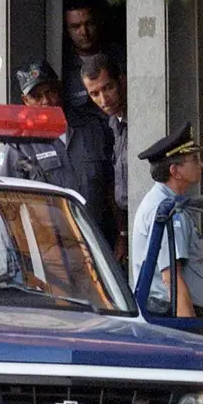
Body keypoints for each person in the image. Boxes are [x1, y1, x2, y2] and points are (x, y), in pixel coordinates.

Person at [0, 60, 120, 253]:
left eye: (50, 92)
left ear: (60, 90)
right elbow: (8, 206)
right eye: (36, 97)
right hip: (52, 251)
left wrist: (122, 234)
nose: (46, 101)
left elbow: (113, 184)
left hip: (102, 244)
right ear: (25, 101)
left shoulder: (93, 127)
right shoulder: (19, 145)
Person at [131, 122, 203, 318]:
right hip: (170, 312)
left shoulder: (169, 203)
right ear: (175, 171)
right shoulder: (168, 210)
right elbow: (172, 279)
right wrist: (189, 334)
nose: (201, 165)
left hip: (169, 309)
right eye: (194, 160)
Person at [81, 53, 128, 263]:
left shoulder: (139, 121)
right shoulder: (112, 124)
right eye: (94, 94)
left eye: (108, 88)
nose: (103, 99)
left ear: (122, 80)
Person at [62, 0, 127, 120]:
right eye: (76, 27)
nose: (84, 32)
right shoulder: (63, 67)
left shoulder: (120, 57)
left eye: (89, 23)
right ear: (67, 30)